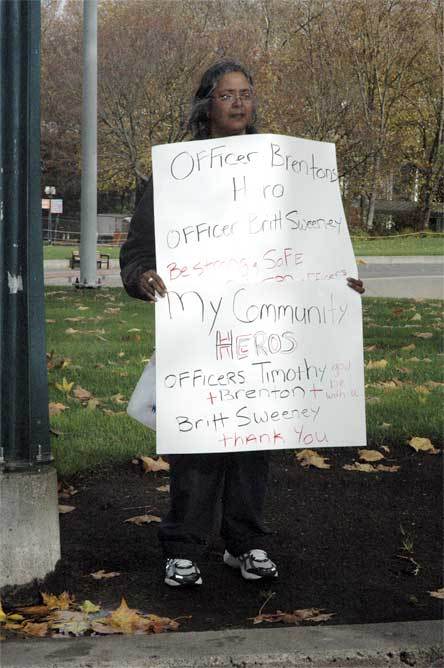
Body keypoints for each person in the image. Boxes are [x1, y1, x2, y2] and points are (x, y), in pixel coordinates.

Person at [120, 59, 365, 588]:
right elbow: (137, 250)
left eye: (246, 93)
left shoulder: (282, 169)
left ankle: (246, 544)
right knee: (198, 449)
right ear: (206, 103)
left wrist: (337, 284)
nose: (238, 102)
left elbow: (310, 239)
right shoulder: (176, 173)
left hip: (266, 335)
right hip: (200, 335)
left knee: (255, 445)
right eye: (227, 93)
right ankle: (182, 548)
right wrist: (142, 276)